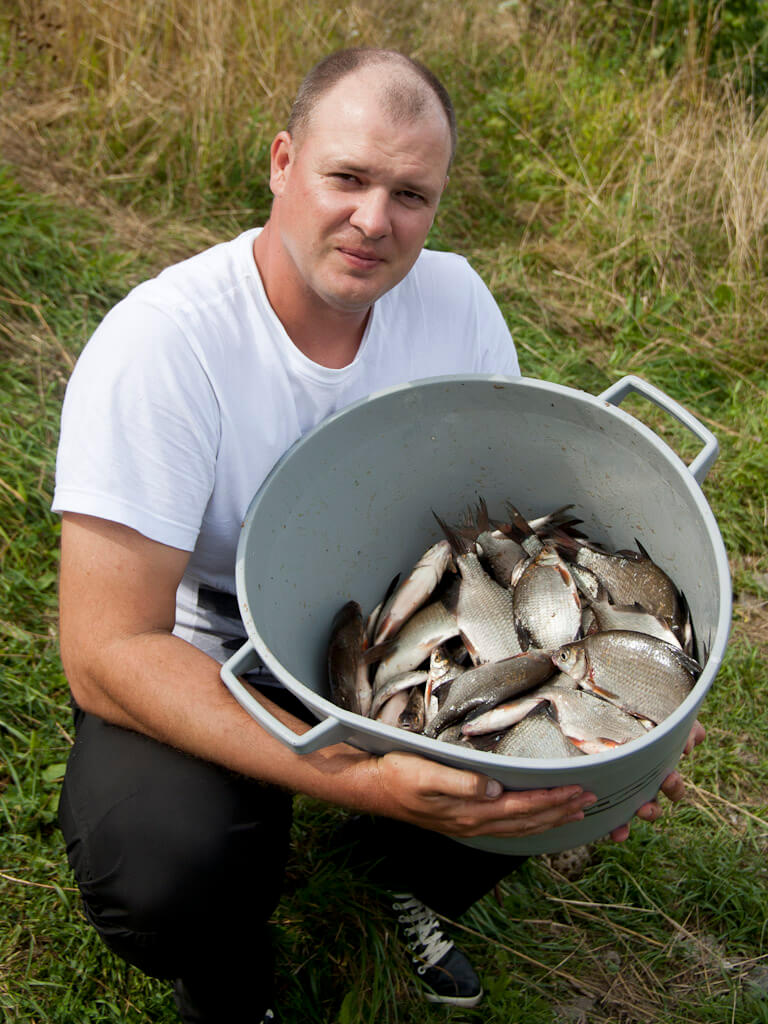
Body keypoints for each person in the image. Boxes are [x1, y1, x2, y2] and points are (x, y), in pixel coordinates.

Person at [53, 47, 704, 1023]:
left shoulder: (456, 302)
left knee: (542, 773)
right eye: (346, 177)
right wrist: (363, 777)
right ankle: (231, 985)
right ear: (282, 163)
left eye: (411, 193)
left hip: (422, 627)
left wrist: (616, 737)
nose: (374, 220)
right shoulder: (163, 347)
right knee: (162, 865)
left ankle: (423, 883)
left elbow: (513, 538)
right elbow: (104, 652)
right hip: (213, 652)